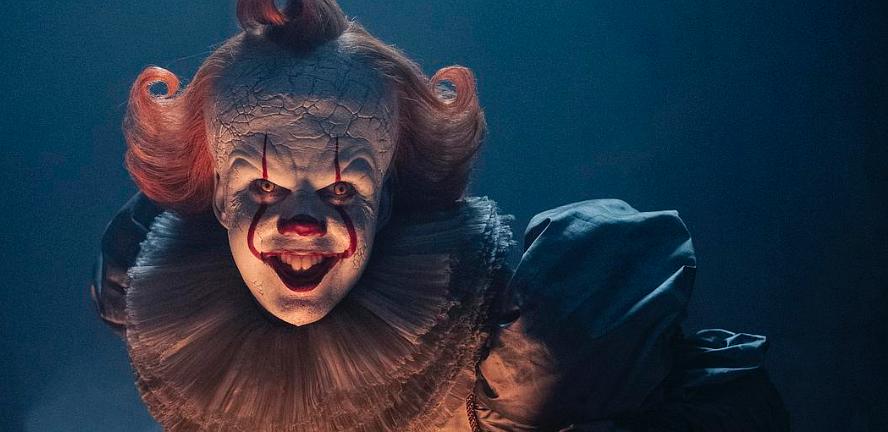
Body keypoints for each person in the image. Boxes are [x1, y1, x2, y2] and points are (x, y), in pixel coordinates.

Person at [92, 0, 789, 430]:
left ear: (389, 197)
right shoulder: (150, 303)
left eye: (342, 190)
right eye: (264, 188)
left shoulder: (532, 357)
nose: (302, 224)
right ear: (219, 197)